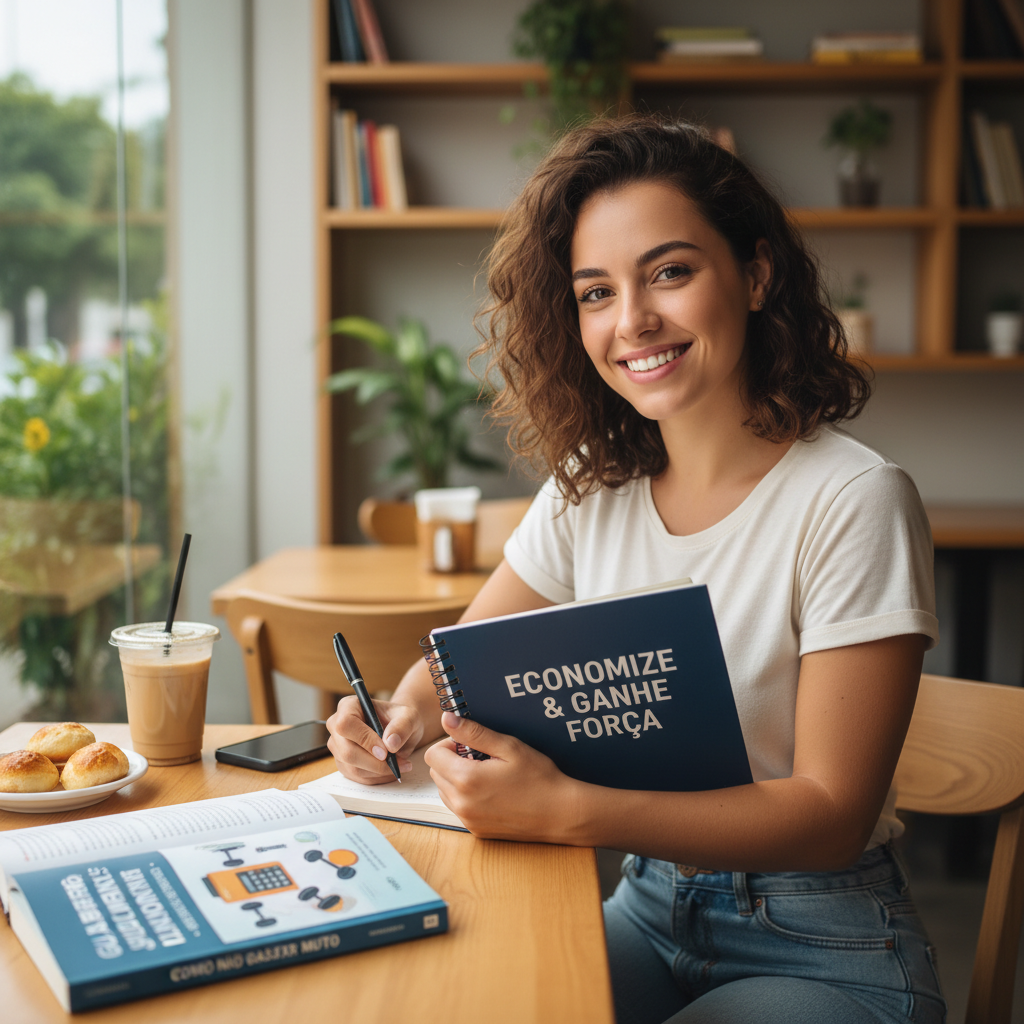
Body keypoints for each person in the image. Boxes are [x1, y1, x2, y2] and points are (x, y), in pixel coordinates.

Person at [326, 115, 944, 1024]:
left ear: (756, 273)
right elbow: (456, 660)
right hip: (648, 907)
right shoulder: (590, 488)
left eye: (670, 272)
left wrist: (573, 810)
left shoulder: (854, 498)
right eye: (595, 292)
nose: (633, 321)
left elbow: (830, 813)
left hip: (824, 940)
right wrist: (400, 717)